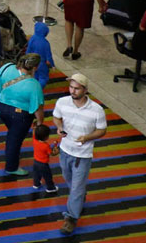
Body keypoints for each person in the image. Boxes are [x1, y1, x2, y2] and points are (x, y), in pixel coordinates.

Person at [53, 73, 107, 235]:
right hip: (65, 150)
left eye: (77, 88)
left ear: (85, 90)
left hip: (83, 155)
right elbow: (56, 117)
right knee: (69, 180)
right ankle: (80, 195)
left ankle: (70, 218)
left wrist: (87, 137)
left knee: (76, 187)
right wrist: (59, 127)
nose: (73, 91)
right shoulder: (62, 102)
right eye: (71, 87)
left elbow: (102, 130)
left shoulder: (97, 110)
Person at [0, 53, 45, 175]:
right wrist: (40, 122)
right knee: (14, 140)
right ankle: (11, 167)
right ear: (35, 68)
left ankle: (12, 157)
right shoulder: (34, 85)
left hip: (2, 109)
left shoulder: (6, 67)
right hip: (20, 116)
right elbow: (37, 108)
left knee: (13, 133)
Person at [26, 22, 55, 88]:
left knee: (35, 74)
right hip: (42, 64)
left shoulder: (32, 39)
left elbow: (28, 51)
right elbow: (49, 57)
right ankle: (39, 88)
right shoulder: (46, 43)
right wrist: (52, 65)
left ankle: (33, 86)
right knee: (43, 77)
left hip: (33, 61)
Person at [31, 124, 59, 192]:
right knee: (47, 176)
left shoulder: (34, 139)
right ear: (46, 137)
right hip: (43, 164)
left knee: (36, 174)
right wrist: (56, 150)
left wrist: (34, 128)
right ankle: (50, 188)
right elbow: (52, 153)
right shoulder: (46, 146)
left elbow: (34, 132)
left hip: (35, 161)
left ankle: (36, 184)